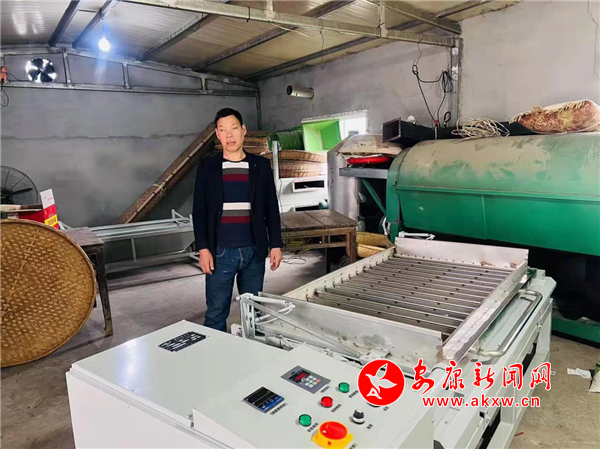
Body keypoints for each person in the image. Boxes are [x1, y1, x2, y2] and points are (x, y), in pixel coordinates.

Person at [193, 108, 283, 332]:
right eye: (223, 130)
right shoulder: (208, 167)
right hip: (220, 252)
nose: (229, 135)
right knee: (216, 313)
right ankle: (217, 352)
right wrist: (203, 248)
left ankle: (252, 351)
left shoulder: (260, 166)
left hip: (254, 250)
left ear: (243, 130)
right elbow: (199, 210)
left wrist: (276, 244)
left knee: (253, 312)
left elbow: (271, 207)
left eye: (234, 128)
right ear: (217, 134)